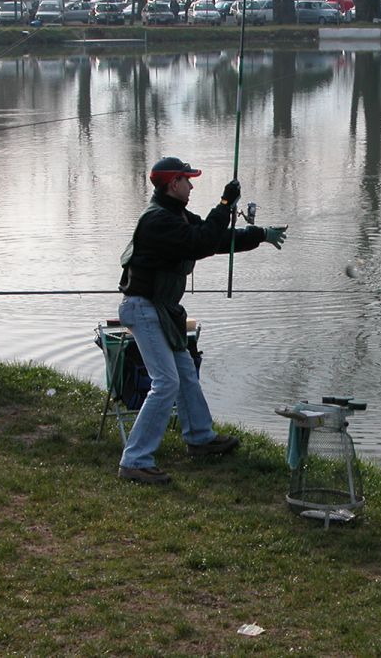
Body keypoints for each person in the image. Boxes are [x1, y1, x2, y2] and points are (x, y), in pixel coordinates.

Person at [115, 157, 288, 485]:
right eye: (187, 180)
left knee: (185, 375)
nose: (192, 186)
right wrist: (224, 203)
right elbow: (202, 241)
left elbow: (216, 239)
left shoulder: (175, 215)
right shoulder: (158, 221)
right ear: (172, 184)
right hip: (144, 309)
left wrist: (259, 234)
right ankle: (135, 460)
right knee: (166, 383)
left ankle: (200, 437)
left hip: (162, 310)